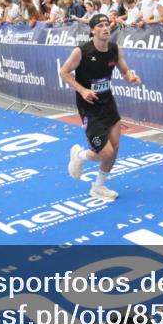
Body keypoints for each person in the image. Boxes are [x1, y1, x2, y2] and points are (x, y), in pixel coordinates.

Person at [61, 14, 142, 200]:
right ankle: (79, 156)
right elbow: (64, 72)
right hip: (89, 106)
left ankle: (98, 187)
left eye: (107, 25)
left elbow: (124, 70)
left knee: (115, 147)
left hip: (108, 103)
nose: (105, 28)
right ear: (92, 30)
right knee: (105, 152)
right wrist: (82, 91)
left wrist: (130, 77)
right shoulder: (81, 51)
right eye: (100, 26)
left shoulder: (115, 49)